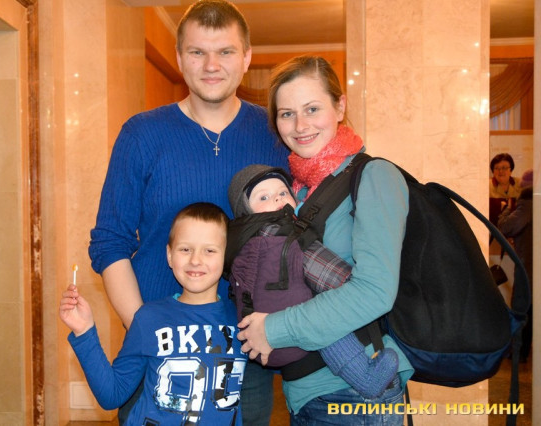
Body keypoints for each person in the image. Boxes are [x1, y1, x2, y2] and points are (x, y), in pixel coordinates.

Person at [88, 1, 288, 423]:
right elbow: (109, 243)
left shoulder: (274, 133)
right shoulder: (141, 134)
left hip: (245, 354)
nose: (211, 65)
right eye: (198, 52)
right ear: (180, 58)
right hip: (152, 354)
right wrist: (148, 330)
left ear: (246, 57)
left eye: (226, 52)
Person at [236, 55, 414, 425]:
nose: (300, 125)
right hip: (306, 394)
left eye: (312, 109)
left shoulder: (373, 176)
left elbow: (375, 292)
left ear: (340, 107)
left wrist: (274, 329)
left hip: (354, 396)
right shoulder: (294, 191)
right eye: (287, 114)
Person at [62, 203, 247, 425]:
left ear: (227, 257)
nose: (195, 260)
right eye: (185, 249)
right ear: (169, 255)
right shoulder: (148, 318)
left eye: (209, 250)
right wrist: (84, 331)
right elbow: (112, 394)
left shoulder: (242, 320)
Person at [226, 164, 399, 399]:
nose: (277, 199)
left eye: (283, 192)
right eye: (264, 197)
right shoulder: (282, 232)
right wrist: (352, 285)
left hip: (257, 336)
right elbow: (322, 267)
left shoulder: (241, 241)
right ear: (246, 211)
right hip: (277, 331)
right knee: (325, 317)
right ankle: (365, 376)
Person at [498, 169, 533, 362]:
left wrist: (505, 209)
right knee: (531, 310)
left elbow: (506, 227)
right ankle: (523, 351)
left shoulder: (527, 204)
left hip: (527, 268)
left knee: (521, 308)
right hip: (533, 267)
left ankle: (518, 352)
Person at [489, 153, 522, 228]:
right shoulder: (487, 187)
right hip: (493, 231)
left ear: (511, 170)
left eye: (504, 168)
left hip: (516, 231)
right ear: (493, 171)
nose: (500, 171)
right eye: (497, 168)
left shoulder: (520, 185)